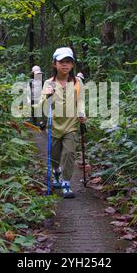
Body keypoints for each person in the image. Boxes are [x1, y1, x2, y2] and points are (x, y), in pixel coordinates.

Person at [35, 47, 86, 198]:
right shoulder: (49, 83)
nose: (65, 65)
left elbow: (81, 101)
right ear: (54, 64)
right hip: (54, 126)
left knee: (69, 153)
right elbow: (41, 107)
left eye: (68, 62)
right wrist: (47, 96)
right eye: (61, 62)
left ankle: (66, 183)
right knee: (54, 158)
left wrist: (81, 114)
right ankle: (56, 171)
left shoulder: (77, 83)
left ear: (72, 65)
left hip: (71, 125)